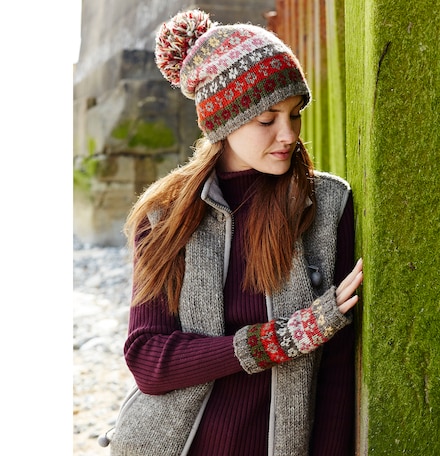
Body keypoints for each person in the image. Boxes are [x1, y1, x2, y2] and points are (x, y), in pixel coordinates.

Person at [105, 8, 363, 456]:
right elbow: (148, 358)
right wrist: (276, 342)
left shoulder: (326, 207)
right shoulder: (165, 218)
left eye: (295, 113)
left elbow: (337, 366)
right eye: (267, 119)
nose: (288, 134)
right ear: (223, 122)